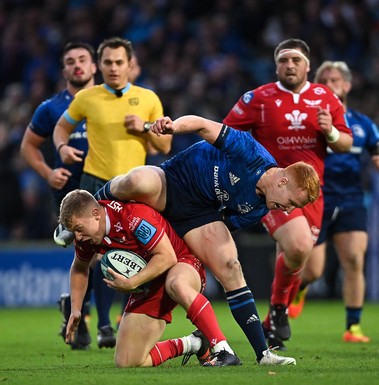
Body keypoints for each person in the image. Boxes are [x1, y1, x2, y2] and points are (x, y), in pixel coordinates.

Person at [92, 114, 320, 365]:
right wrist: (173, 127)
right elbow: (201, 125)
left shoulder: (258, 208)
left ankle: (263, 354)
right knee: (137, 181)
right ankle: (90, 204)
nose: (287, 210)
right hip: (174, 183)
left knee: (230, 267)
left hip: (197, 215)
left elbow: (220, 227)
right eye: (291, 203)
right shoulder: (250, 152)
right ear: (283, 181)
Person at [223, 38, 353, 349]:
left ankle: (271, 322)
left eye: (295, 60)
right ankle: (280, 310)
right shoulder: (259, 98)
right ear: (276, 65)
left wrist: (330, 131)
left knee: (306, 262)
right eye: (283, 60)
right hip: (275, 189)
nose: (289, 65)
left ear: (308, 66)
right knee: (297, 245)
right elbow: (226, 134)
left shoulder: (326, 98)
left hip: (313, 193)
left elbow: (345, 143)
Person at [53, 37, 172, 349]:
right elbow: (61, 128)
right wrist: (62, 147)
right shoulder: (87, 97)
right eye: (107, 62)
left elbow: (165, 146)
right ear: (100, 65)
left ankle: (115, 318)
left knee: (129, 258)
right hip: (97, 186)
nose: (113, 68)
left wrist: (145, 128)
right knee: (95, 258)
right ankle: (103, 324)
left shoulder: (148, 98)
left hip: (135, 190)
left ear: (130, 64)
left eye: (119, 62)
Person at [58, 190, 244, 367]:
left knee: (176, 284)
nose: (78, 237)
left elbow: (167, 256)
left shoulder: (132, 217)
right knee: (126, 361)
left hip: (181, 263)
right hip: (149, 281)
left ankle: (223, 349)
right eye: (74, 232)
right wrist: (76, 309)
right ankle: (194, 343)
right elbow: (79, 269)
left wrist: (132, 282)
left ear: (96, 214)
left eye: (79, 229)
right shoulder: (87, 237)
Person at [287, 61, 379, 343]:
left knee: (354, 260)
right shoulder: (307, 119)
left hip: (351, 198)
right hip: (316, 198)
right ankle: (301, 288)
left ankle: (353, 328)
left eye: (335, 80)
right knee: (314, 269)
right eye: (323, 80)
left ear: (347, 85)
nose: (329, 85)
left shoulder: (361, 124)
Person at [20, 41, 97, 350]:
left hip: (106, 185)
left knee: (100, 255)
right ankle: (88, 316)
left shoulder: (109, 101)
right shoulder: (50, 108)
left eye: (82, 59)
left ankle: (82, 312)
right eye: (70, 61)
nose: (77, 65)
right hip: (69, 195)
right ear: (64, 69)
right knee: (93, 253)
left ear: (94, 66)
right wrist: (48, 173)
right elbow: (28, 146)